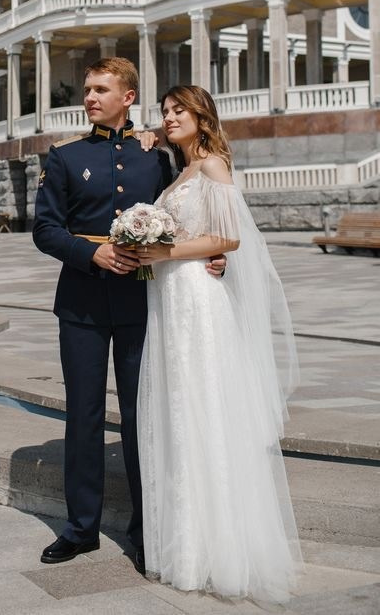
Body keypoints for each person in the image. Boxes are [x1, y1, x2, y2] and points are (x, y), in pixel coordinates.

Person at [33, 58, 225, 569]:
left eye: (102, 89)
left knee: (145, 418)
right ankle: (80, 529)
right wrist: (89, 252)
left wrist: (213, 252)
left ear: (128, 96)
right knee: (84, 415)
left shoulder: (155, 158)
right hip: (81, 303)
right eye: (88, 90)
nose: (90, 97)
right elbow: (45, 230)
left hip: (145, 301)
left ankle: (148, 530)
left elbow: (187, 216)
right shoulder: (66, 158)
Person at [132, 85, 301, 603]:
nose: (169, 116)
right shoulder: (180, 168)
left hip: (199, 303)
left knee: (204, 409)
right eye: (164, 110)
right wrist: (150, 134)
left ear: (201, 114)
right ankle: (186, 548)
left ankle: (220, 550)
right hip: (170, 301)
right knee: (179, 415)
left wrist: (160, 250)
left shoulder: (212, 166)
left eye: (178, 109)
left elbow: (228, 239)